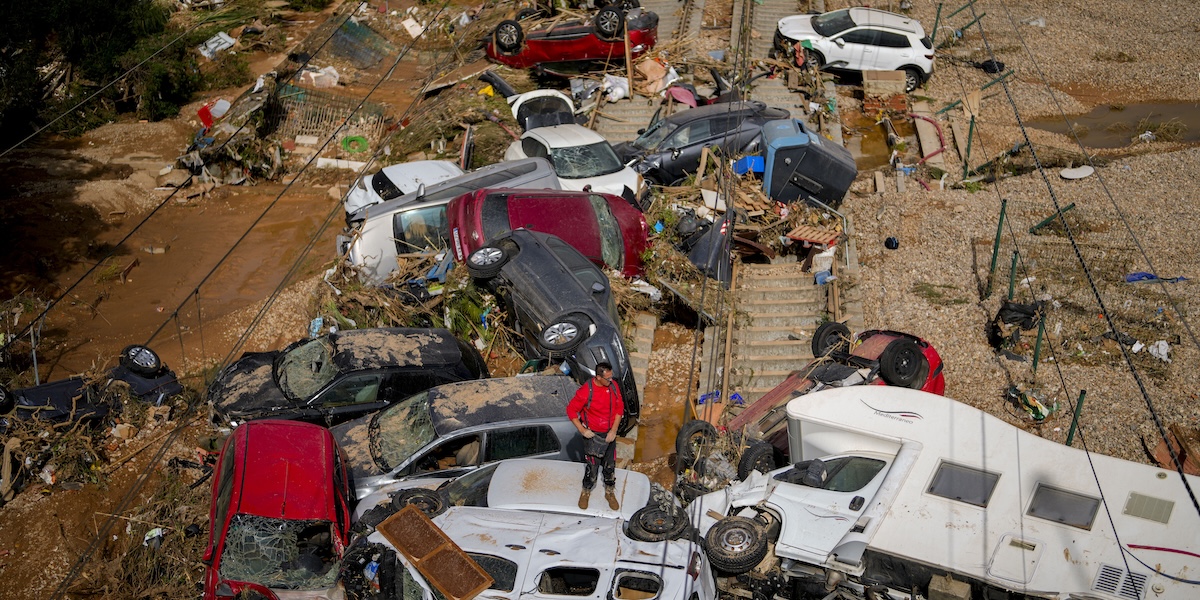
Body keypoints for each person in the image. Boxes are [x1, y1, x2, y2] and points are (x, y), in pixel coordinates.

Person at [566, 362, 623, 510]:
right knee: (592, 468)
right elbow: (571, 411)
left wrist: (613, 430)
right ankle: (586, 491)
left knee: (610, 466)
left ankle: (609, 491)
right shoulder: (586, 391)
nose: (611, 381)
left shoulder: (613, 387)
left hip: (609, 434)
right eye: (608, 379)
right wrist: (583, 431)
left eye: (611, 378)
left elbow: (619, 408)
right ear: (598, 377)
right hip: (593, 436)